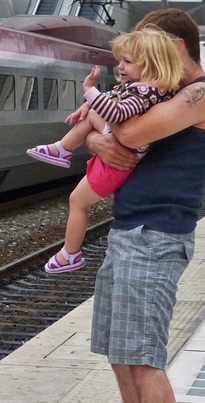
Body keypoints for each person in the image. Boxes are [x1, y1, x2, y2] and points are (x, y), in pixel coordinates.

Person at [82, 9, 205, 403]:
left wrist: (101, 133)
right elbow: (114, 133)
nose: (135, 63)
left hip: (157, 237)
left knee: (145, 360)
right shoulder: (162, 90)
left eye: (144, 51)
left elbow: (129, 133)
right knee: (122, 354)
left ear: (171, 47)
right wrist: (101, 135)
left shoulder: (202, 94)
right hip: (129, 230)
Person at [26, 29, 185, 273]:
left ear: (152, 64)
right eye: (120, 60)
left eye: (128, 62)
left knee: (77, 201)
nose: (120, 66)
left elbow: (117, 112)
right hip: (120, 150)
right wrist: (91, 102)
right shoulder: (154, 89)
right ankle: (62, 148)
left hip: (117, 162)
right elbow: (114, 96)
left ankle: (70, 253)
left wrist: (89, 90)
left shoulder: (143, 93)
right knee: (92, 113)